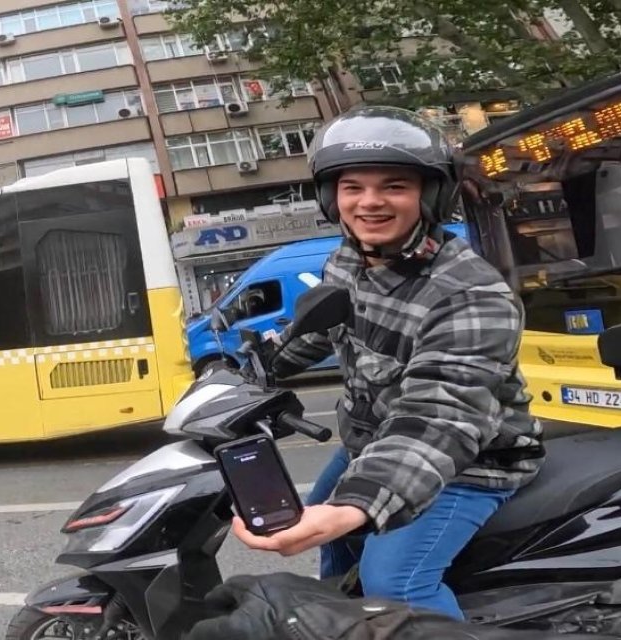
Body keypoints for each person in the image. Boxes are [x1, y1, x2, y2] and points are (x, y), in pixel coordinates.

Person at [228, 105, 545, 621]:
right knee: (331, 547)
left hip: (471, 461)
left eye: (393, 186)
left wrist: (356, 505)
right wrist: (246, 368)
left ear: (430, 195)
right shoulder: (348, 259)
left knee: (394, 581)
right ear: (333, 198)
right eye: (352, 187)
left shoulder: (469, 295)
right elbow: (318, 330)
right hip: (371, 439)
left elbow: (440, 415)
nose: (369, 202)